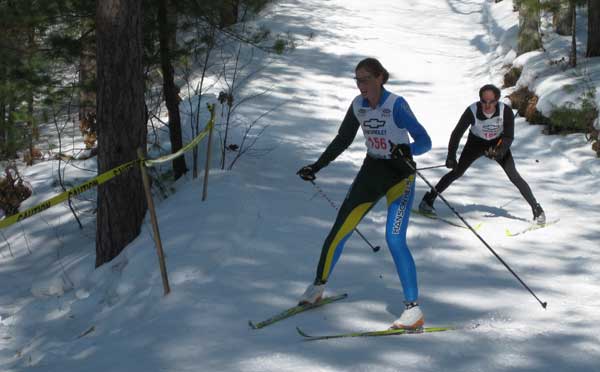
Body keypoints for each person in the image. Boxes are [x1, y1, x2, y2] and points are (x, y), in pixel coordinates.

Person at [296, 58, 432, 330]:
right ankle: (318, 286)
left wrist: (408, 151)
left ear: (380, 78)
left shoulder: (396, 105)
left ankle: (412, 310)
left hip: (400, 176)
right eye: (357, 80)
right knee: (339, 231)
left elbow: (424, 141)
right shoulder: (358, 105)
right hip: (372, 171)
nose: (361, 85)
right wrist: (317, 165)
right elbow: (343, 139)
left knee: (394, 239)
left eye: (366, 79)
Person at [418, 84, 545, 225]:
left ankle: (537, 209)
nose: (487, 105)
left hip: (497, 143)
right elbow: (456, 134)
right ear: (480, 100)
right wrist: (451, 156)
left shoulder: (505, 111)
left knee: (513, 175)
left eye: (491, 102)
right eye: (484, 101)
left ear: (497, 100)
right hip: (475, 143)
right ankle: (428, 200)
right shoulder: (472, 110)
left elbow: (509, 137)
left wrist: (499, 151)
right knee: (457, 172)